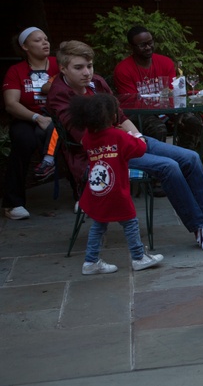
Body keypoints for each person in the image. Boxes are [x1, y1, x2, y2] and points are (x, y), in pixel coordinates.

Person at [47, 40, 203, 250]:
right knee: (169, 167)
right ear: (63, 68)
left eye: (89, 66)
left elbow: (120, 116)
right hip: (102, 154)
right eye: (79, 68)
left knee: (190, 157)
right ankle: (200, 229)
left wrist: (137, 137)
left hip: (125, 140)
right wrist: (127, 139)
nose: (87, 72)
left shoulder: (97, 83)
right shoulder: (60, 94)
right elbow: (83, 136)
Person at [67, 94, 164, 275]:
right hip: (116, 191)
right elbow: (140, 148)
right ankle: (138, 257)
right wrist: (137, 135)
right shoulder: (118, 136)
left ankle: (91, 260)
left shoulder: (88, 138)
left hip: (97, 190)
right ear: (113, 117)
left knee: (99, 224)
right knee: (130, 223)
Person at [113, 25, 202, 149]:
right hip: (139, 113)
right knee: (158, 128)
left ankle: (184, 159)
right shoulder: (123, 69)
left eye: (150, 42)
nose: (148, 47)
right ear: (131, 47)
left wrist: (174, 114)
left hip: (164, 109)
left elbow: (172, 94)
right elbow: (132, 102)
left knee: (193, 121)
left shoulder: (165, 62)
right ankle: (158, 165)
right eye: (143, 45)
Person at [3, 27, 60, 219]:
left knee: (74, 142)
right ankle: (13, 203)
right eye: (38, 40)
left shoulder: (59, 64)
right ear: (25, 46)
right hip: (28, 119)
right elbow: (11, 104)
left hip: (58, 117)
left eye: (46, 39)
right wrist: (37, 118)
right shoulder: (16, 71)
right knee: (23, 141)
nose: (45, 43)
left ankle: (83, 198)